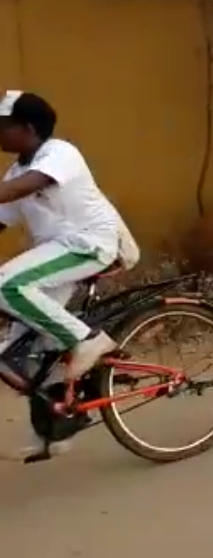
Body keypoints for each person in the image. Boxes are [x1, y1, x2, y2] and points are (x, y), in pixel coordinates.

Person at [0, 90, 139, 457]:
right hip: (57, 256)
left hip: (88, 244)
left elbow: (21, 189)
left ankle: (86, 339)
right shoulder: (15, 169)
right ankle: (57, 428)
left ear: (27, 128)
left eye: (3, 126)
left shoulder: (59, 154)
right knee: (24, 350)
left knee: (6, 285)